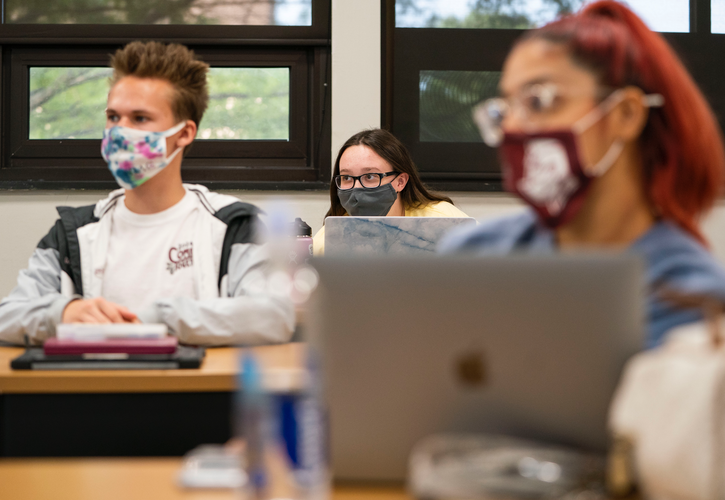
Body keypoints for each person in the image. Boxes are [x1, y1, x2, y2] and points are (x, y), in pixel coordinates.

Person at [439, 1, 725, 348]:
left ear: (626, 115)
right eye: (504, 109)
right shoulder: (472, 255)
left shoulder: (689, 299)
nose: (512, 127)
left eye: (538, 101)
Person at [0, 41, 294, 346]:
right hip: (98, 388)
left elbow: (273, 315)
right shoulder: (73, 232)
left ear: (184, 133)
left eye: (139, 118)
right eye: (113, 117)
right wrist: (65, 312)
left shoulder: (236, 225)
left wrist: (154, 320)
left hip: (196, 392)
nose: (119, 131)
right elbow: (8, 315)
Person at [314, 128, 469, 254]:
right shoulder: (327, 241)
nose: (357, 188)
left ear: (400, 182)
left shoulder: (445, 222)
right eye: (346, 178)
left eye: (370, 176)